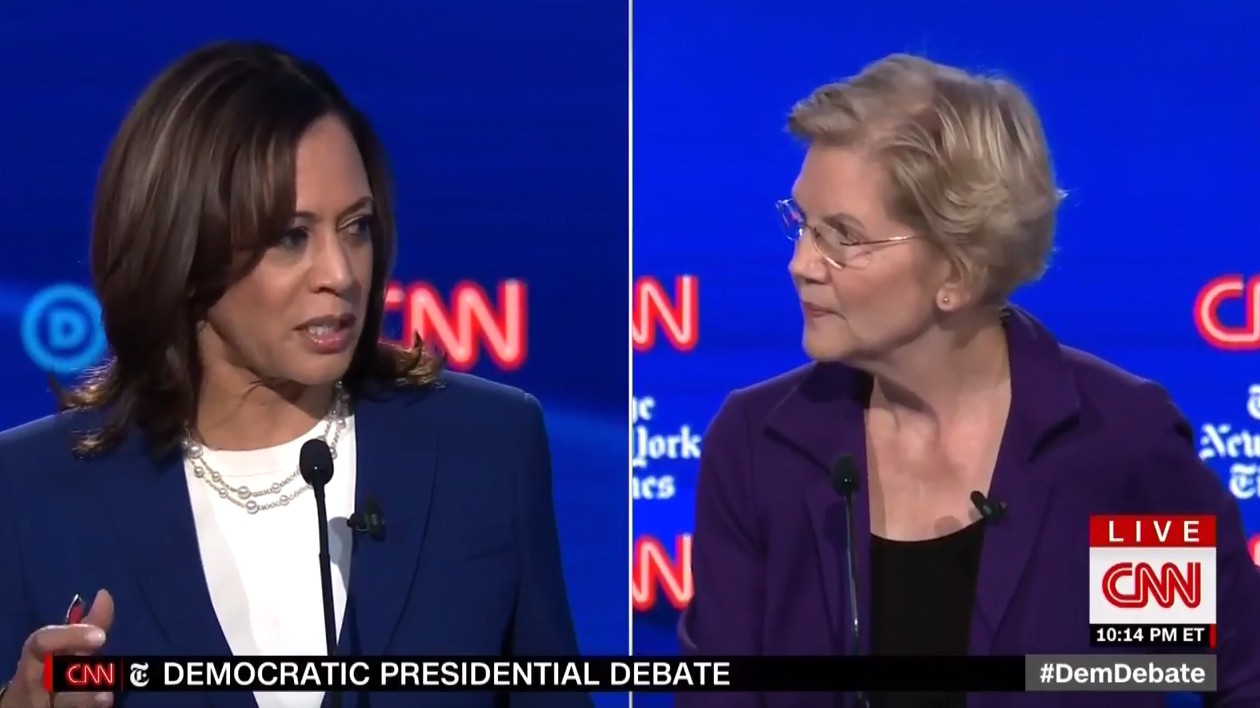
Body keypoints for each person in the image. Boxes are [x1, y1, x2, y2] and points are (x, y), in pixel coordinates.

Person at [0, 42, 590, 708]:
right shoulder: (28, 495)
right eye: (291, 237)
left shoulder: (485, 447)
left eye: (357, 227)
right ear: (184, 250)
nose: (340, 274)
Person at [677, 54, 1260, 707]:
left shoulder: (1110, 451)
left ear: (956, 272)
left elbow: (1234, 676)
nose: (802, 264)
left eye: (843, 237)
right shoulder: (763, 448)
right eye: (803, 224)